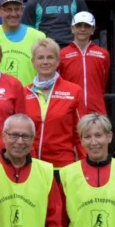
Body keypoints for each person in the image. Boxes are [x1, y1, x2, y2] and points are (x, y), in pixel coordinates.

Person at [26, 38, 86, 168]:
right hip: (32, 166)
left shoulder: (74, 91)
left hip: (63, 165)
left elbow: (81, 133)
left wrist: (86, 165)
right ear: (33, 62)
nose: (45, 62)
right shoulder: (24, 93)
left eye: (50, 57)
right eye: (40, 58)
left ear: (58, 61)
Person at [0, 0, 46, 86]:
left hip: (29, 94)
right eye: (8, 9)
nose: (13, 14)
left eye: (17, 9)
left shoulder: (38, 37)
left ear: (22, 11)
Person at [58, 12, 111, 115]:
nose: (82, 29)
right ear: (72, 29)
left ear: (92, 30)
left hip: (97, 107)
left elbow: (103, 82)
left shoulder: (103, 54)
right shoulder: (62, 54)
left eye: (87, 26)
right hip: (70, 107)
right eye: (78, 26)